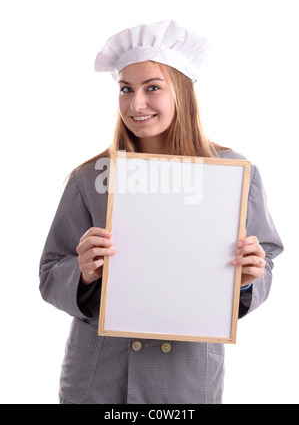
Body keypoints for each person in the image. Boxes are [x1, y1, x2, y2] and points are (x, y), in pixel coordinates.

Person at [39, 20, 283, 404]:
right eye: (126, 89)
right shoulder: (90, 179)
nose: (136, 104)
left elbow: (264, 259)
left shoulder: (233, 175)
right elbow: (50, 272)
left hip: (183, 379)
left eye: (152, 87)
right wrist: (83, 273)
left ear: (182, 93)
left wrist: (249, 278)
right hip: (99, 379)